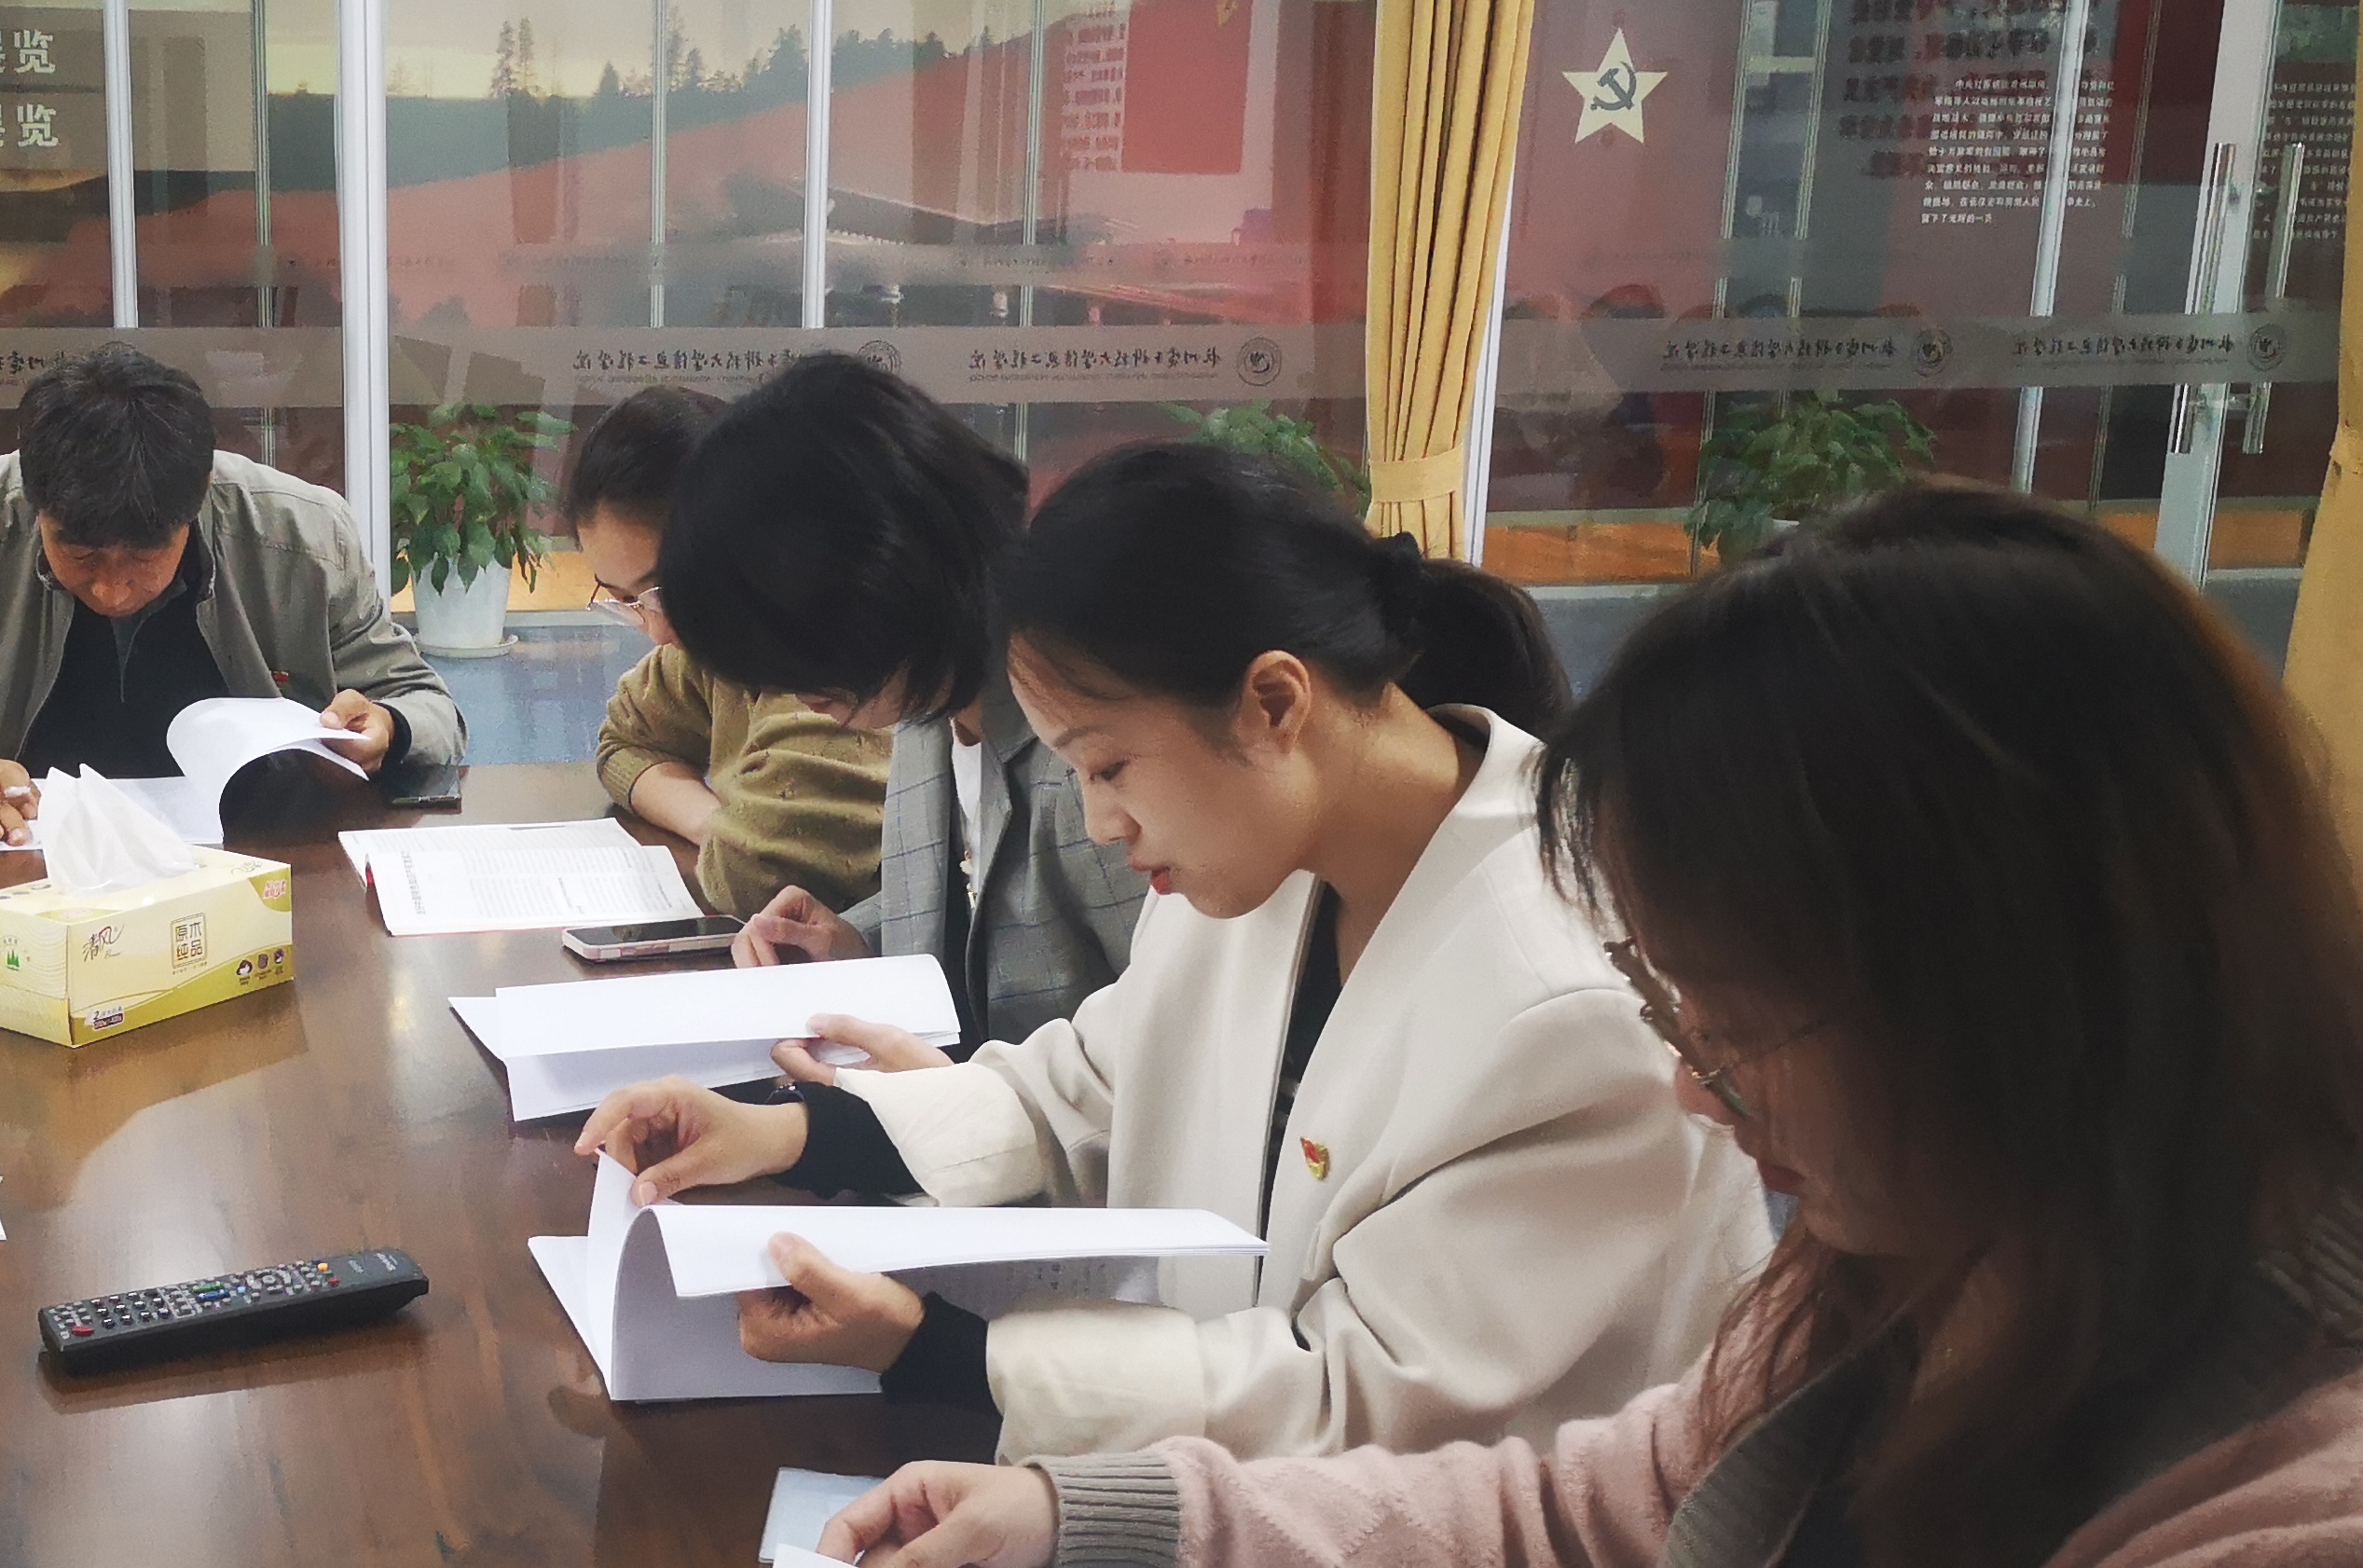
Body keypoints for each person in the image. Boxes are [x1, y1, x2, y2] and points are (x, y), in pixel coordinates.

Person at [667, 487, 2363, 1568]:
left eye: (1728, 1025)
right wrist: (1096, 1521)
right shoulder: (1933, 1260)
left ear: (2000, 996)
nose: (1691, 1090)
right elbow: (1605, 1519)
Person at [585, 441, 1765, 1464]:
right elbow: (1094, 1084)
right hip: (1244, 1508)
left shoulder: (1565, 994)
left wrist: (942, 1352)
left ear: (1273, 703)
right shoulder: (1265, 853)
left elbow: (1358, 1394)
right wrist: (788, 1130)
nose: (1098, 822)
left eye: (1106, 767)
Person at [656, 355, 1142, 1045]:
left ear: (875, 584)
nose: (789, 691)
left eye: (791, 655)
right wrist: (852, 939)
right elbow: (972, 906)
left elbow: (1174, 1037)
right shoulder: (926, 697)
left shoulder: (1085, 753)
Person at [0, 347, 464, 845]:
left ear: (196, 504)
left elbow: (426, 704)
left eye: (145, 557)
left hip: (260, 858)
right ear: (34, 504)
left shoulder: (302, 537)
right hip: (19, 864)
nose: (113, 590)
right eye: (80, 555)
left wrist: (387, 728)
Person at [570, 386, 887, 919]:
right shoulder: (717, 641)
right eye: (626, 601)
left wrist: (731, 837)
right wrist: (715, 822)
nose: (659, 631)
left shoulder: (831, 658)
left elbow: (757, 875)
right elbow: (624, 740)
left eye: (664, 591)